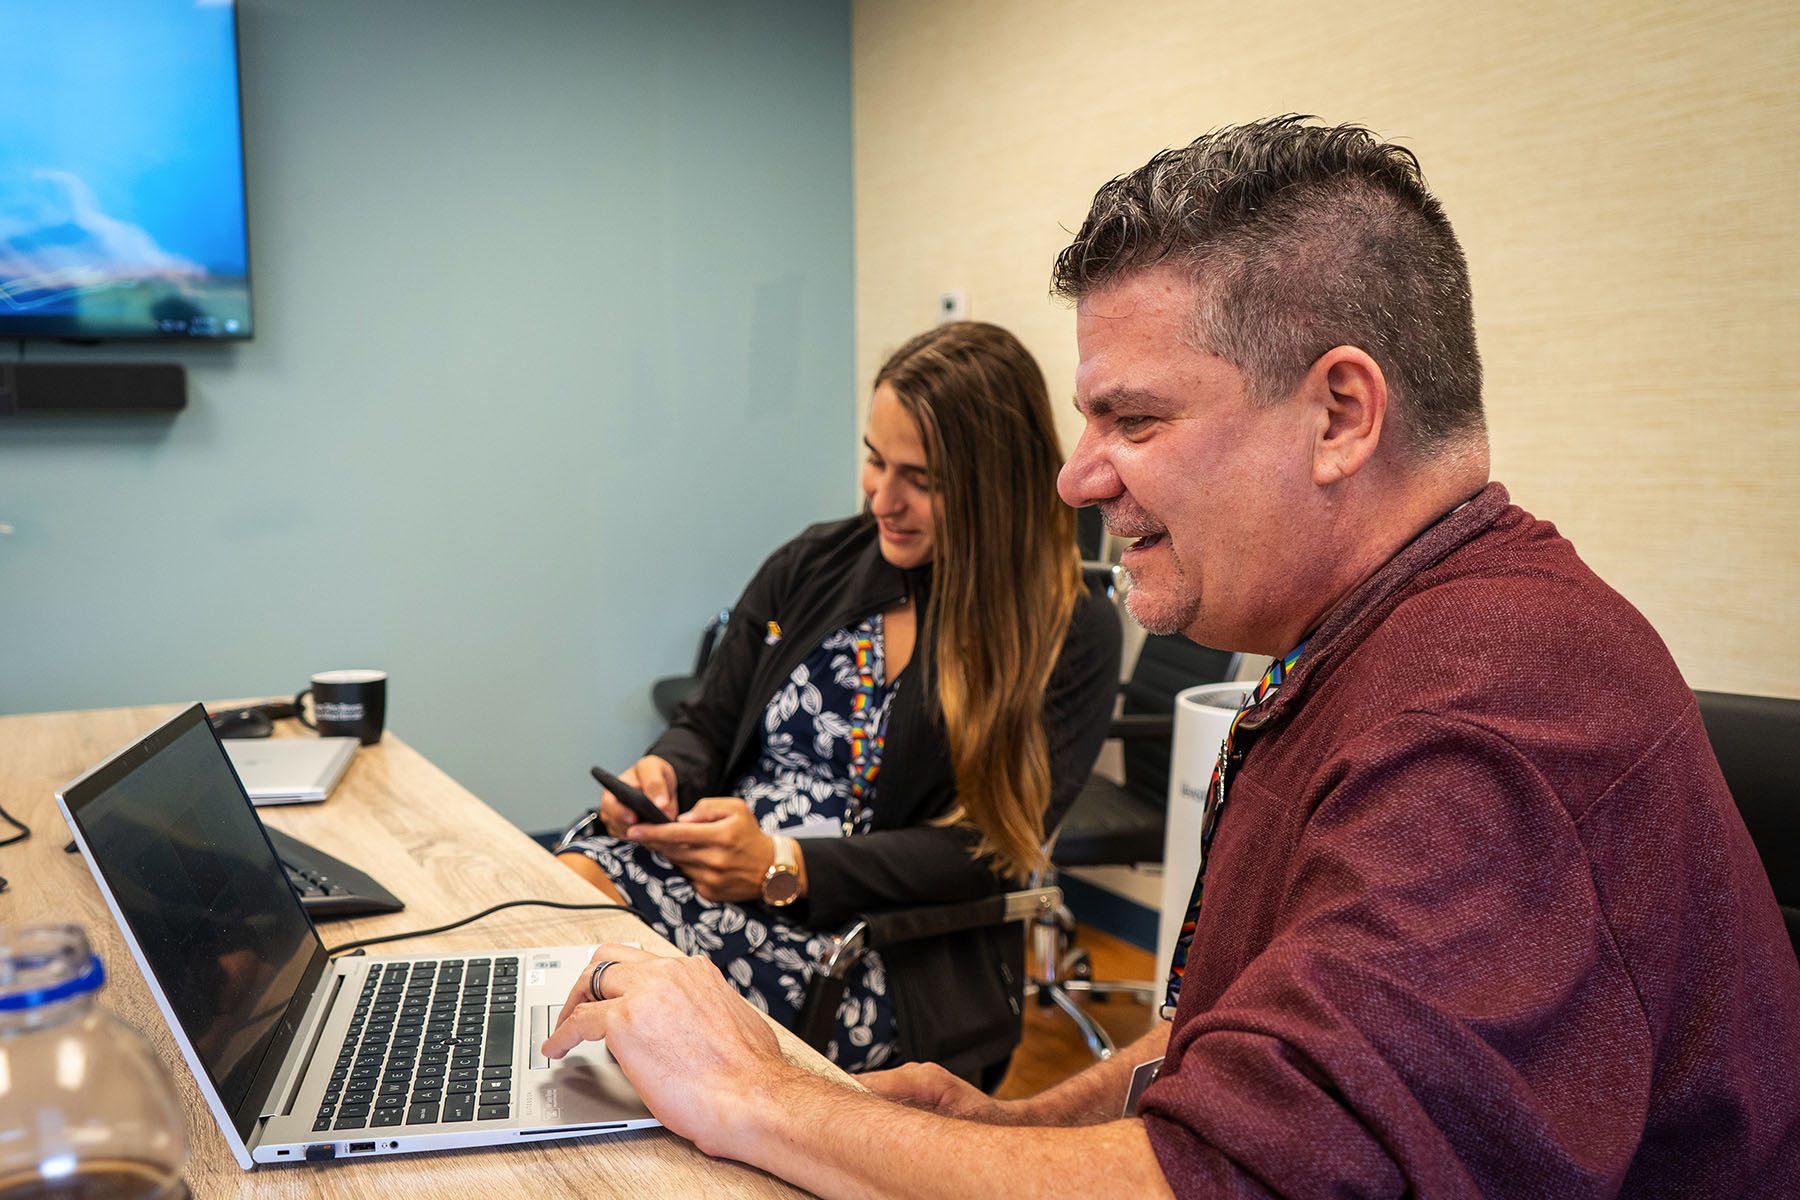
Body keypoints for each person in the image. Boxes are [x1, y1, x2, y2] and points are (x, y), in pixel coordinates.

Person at [540, 117, 1800, 1197]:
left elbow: (1250, 1179)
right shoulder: (1375, 647)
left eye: (1134, 421)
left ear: (1340, 416)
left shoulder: (1492, 712)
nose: (1082, 479)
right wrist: (1026, 1125)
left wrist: (762, 1096)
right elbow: (1245, 1050)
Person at [556, 320, 1121, 1079]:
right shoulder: (816, 563)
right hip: (715, 876)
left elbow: (988, 852)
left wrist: (782, 866)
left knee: (599, 963)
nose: (882, 499)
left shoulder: (1068, 629)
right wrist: (666, 775)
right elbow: (707, 721)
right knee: (565, 894)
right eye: (873, 459)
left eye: (920, 479)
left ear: (994, 483)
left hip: (869, 951)